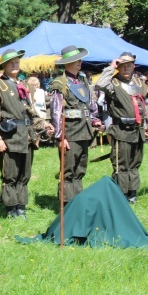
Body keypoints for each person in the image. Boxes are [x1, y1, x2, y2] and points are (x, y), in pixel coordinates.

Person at [0, 49, 54, 219]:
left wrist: (43, 124)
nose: (15, 65)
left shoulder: (22, 85)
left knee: (25, 173)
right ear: (4, 66)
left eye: (17, 62)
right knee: (11, 174)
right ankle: (10, 208)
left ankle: (21, 206)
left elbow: (30, 112)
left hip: (27, 136)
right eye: (11, 63)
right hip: (10, 136)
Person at [50, 45, 103, 204]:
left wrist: (95, 120)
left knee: (80, 169)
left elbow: (91, 105)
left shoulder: (83, 80)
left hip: (84, 131)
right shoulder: (59, 83)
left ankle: (78, 201)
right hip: (70, 133)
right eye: (75, 60)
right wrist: (60, 137)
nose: (79, 62)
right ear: (67, 63)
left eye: (80, 59)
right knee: (68, 170)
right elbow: (56, 111)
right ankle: (66, 204)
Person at [95, 52, 148, 204]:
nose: (126, 68)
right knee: (121, 163)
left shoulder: (138, 83)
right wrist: (111, 67)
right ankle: (121, 193)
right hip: (121, 130)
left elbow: (144, 99)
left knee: (135, 162)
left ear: (133, 66)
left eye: (129, 65)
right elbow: (100, 84)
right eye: (123, 65)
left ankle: (132, 191)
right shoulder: (113, 83)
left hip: (137, 130)